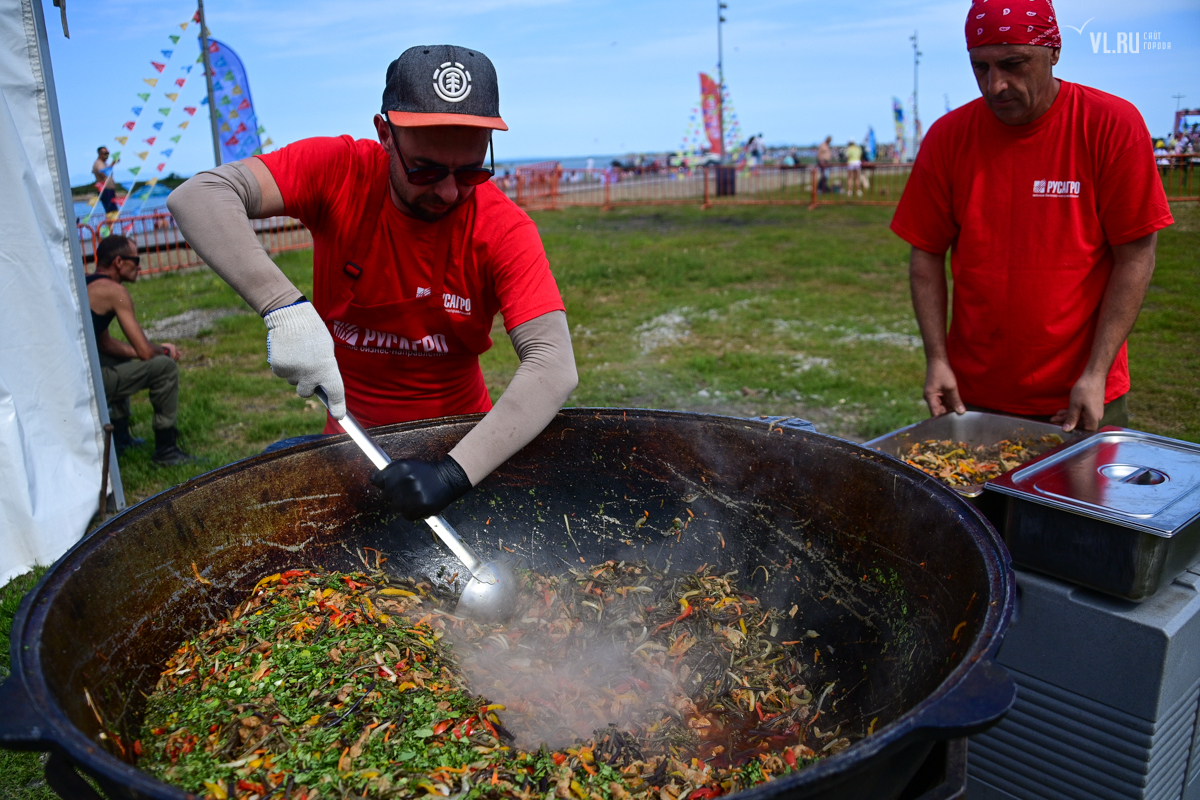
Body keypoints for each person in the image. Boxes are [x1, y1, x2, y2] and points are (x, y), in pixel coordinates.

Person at [168, 45, 578, 522]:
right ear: (385, 133)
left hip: (459, 445)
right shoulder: (339, 170)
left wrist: (450, 475)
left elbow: (553, 366)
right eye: (424, 169)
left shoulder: (503, 229)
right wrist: (282, 306)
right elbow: (199, 196)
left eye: (470, 171)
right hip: (352, 447)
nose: (448, 191)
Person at [891, 0, 1173, 433]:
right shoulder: (948, 137)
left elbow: (1135, 257)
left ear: (1054, 51)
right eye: (980, 67)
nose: (995, 85)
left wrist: (1096, 374)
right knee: (971, 501)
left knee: (1072, 502)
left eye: (1013, 63)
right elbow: (926, 256)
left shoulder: (1110, 124)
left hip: (1079, 395)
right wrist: (937, 359)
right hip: (974, 395)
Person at [86, 235, 196, 466]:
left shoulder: (88, 282)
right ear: (118, 262)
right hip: (88, 385)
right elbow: (146, 352)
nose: (140, 265)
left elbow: (104, 343)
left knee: (116, 356)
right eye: (136, 260)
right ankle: (166, 450)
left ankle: (121, 440)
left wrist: (137, 353)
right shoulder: (113, 290)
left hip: (76, 378)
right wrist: (165, 352)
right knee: (164, 368)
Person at [92, 146, 119, 220]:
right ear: (100, 154)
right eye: (105, 153)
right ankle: (108, 230)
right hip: (105, 190)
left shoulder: (105, 163)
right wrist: (113, 163)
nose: (107, 155)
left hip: (110, 190)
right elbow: (103, 173)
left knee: (114, 211)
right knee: (110, 212)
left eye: (108, 153)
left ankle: (110, 229)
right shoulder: (98, 163)